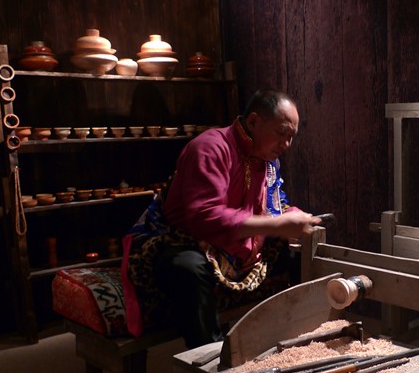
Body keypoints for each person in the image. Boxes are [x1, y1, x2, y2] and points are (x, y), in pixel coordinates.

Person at [121, 89, 321, 348]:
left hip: (240, 248)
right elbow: (204, 217)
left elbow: (274, 205)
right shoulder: (210, 148)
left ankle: (295, 340)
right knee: (188, 269)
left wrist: (294, 217)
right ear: (253, 122)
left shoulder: (268, 160)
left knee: (300, 257)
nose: (286, 145)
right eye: (281, 133)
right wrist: (276, 225)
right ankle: (208, 358)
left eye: (291, 137)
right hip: (181, 239)